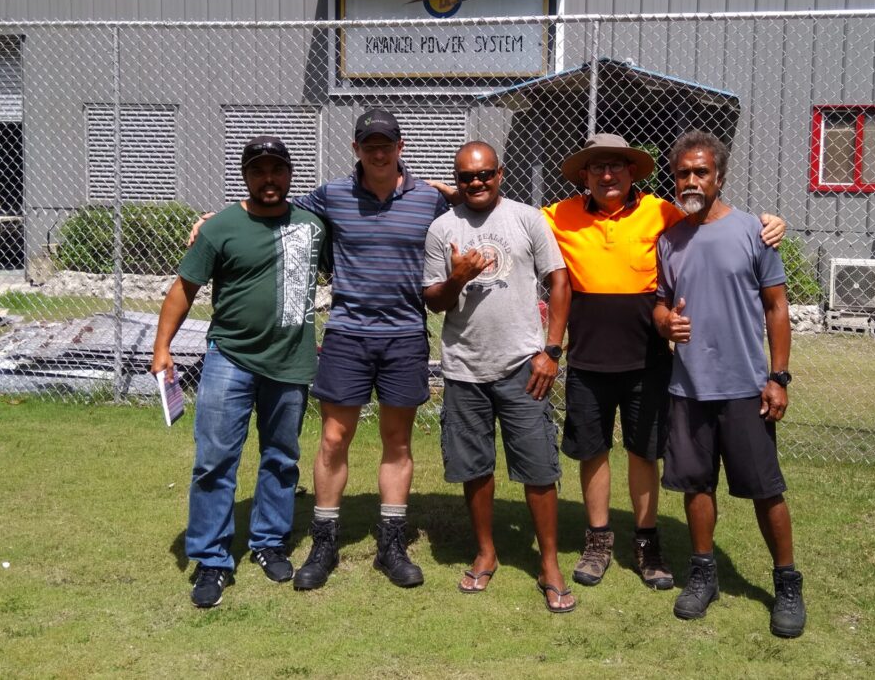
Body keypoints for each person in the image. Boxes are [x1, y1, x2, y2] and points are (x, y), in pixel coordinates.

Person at [189, 109, 447, 592]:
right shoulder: (331, 195)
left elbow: (470, 208)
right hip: (347, 334)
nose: (378, 152)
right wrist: (214, 219)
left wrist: (453, 190)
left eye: (386, 144)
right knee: (332, 439)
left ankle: (391, 544)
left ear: (400, 147)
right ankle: (323, 542)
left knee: (398, 442)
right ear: (356, 149)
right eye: (369, 144)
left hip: (405, 334)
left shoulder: (430, 199)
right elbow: (268, 204)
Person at [542, 134, 784, 590]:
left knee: (643, 452)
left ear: (633, 171)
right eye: (597, 167)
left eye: (617, 165)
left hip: (647, 361)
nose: (607, 175)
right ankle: (598, 540)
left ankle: (646, 541)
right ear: (584, 176)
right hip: (588, 361)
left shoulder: (662, 212)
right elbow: (509, 218)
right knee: (592, 452)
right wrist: (457, 195)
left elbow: (708, 220)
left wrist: (769, 223)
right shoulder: (558, 215)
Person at [153, 136, 327, 608]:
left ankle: (269, 542)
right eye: (258, 170)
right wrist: (162, 347)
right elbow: (184, 289)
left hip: (290, 362)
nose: (268, 178)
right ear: (245, 176)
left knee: (281, 457)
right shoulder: (221, 227)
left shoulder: (312, 226)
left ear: (290, 174)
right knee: (214, 461)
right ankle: (212, 559)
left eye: (277, 169)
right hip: (229, 358)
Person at [653, 129, 805, 638]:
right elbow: (660, 302)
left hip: (745, 387)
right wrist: (664, 322)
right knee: (695, 485)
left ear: (719, 176)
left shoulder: (754, 232)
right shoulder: (669, 240)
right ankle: (703, 575)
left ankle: (787, 583)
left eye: (701, 171)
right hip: (689, 388)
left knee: (766, 489)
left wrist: (778, 377)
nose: (691, 181)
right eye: (682, 173)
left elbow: (777, 307)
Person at [422, 142, 576, 613]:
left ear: (500, 173)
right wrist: (459, 277)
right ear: (457, 179)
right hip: (465, 368)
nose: (476, 182)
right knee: (474, 467)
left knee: (539, 468)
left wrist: (551, 351)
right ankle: (486, 552)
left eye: (485, 174)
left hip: (523, 366)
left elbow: (559, 280)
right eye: (466, 176)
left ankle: (548, 563)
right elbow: (435, 301)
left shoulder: (527, 219)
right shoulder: (442, 228)